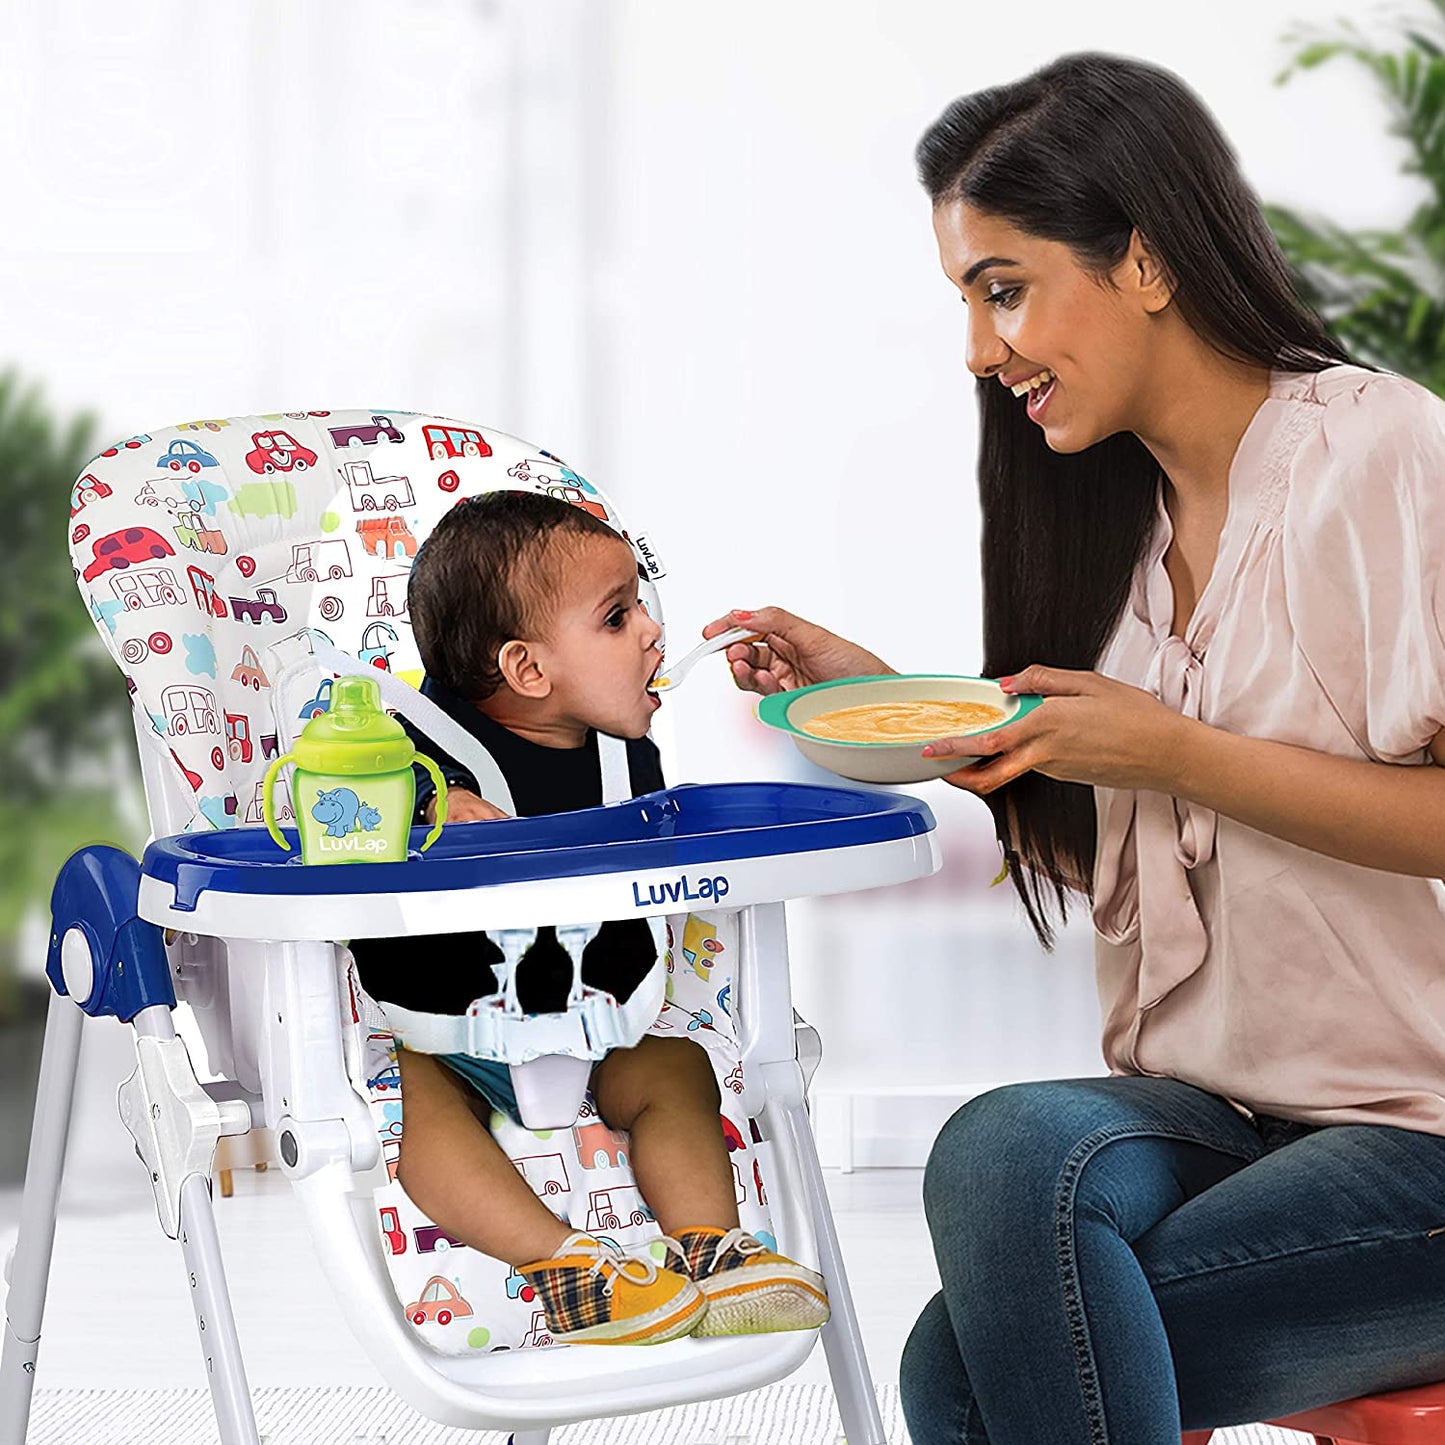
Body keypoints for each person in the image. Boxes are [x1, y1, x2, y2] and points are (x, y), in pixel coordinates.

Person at [705, 50, 1445, 1444]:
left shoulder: (1376, 452)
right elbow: (1133, 835)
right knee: (1000, 1149)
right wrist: (911, 712)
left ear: (1145, 262)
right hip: (1214, 1119)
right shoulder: (1112, 525)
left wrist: (1176, 752)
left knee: (964, 1369)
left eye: (1003, 286)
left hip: (1420, 1138)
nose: (979, 351)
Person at [349, 490, 829, 1346]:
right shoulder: (415, 749)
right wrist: (432, 804)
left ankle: (713, 1252)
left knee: (673, 1069)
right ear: (528, 670)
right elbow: (346, 800)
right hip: (447, 1034)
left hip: (594, 1018)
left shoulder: (626, 755)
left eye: (640, 602)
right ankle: (567, 1267)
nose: (652, 630)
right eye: (617, 617)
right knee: (419, 1109)